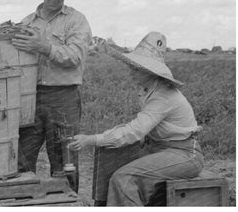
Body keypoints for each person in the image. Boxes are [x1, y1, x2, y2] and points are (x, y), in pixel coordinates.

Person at [68, 32, 204, 206]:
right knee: (109, 156)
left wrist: (92, 139)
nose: (130, 71)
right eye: (132, 66)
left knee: (125, 178)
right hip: (159, 148)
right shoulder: (148, 88)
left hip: (184, 155)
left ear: (150, 71)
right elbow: (137, 129)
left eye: (136, 68)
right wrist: (99, 140)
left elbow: (134, 130)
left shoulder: (163, 95)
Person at [11, 0, 92, 192]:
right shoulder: (26, 23)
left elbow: (75, 57)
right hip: (31, 97)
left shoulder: (76, 20)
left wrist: (44, 47)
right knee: (21, 157)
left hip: (63, 97)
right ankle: (24, 200)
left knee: (65, 161)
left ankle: (67, 201)